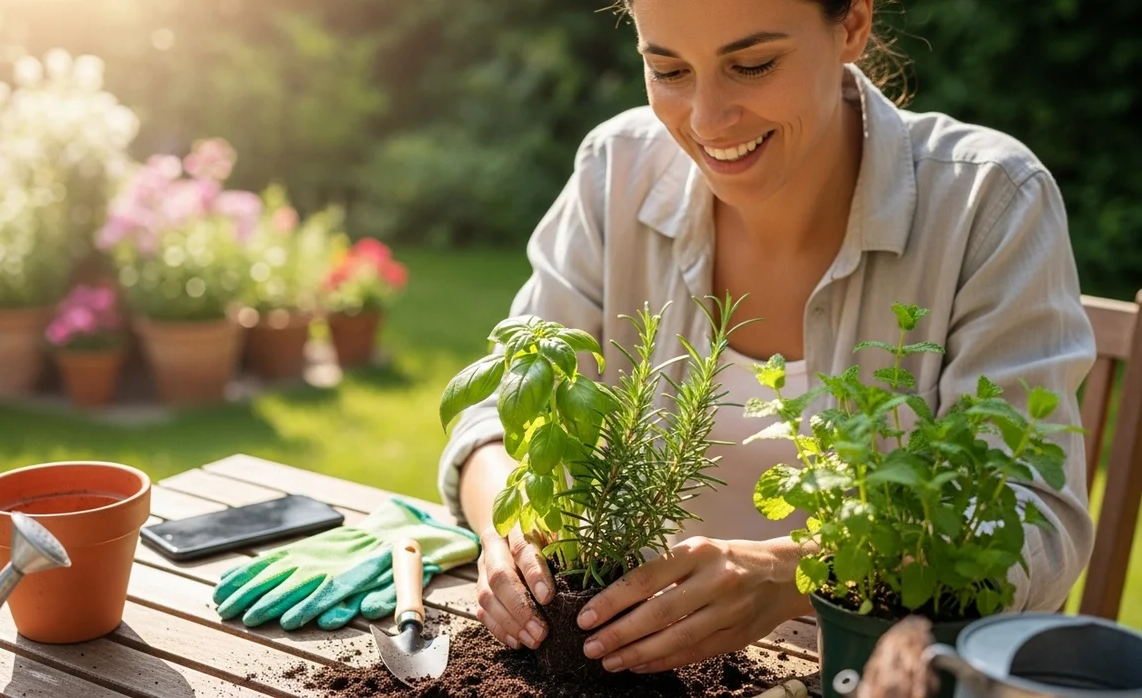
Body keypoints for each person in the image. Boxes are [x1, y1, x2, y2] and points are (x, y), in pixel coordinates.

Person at [437, 0, 1096, 677]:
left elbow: (1035, 527)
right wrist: (505, 531)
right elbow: (496, 413)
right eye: (668, 70)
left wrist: (795, 575)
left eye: (752, 65)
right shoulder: (617, 169)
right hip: (646, 671)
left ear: (853, 25)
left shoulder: (988, 202)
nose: (706, 120)